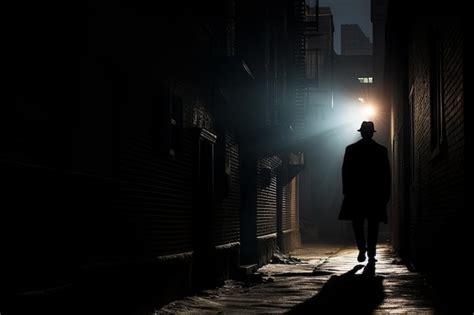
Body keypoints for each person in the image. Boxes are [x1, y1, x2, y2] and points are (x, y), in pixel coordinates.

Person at [339, 121, 391, 263]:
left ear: (361, 132)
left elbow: (346, 172)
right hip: (375, 194)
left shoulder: (351, 149)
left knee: (358, 224)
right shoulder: (381, 150)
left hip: (357, 194)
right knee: (373, 225)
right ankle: (371, 253)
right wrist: (386, 193)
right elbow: (386, 174)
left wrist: (347, 191)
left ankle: (363, 249)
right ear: (372, 132)